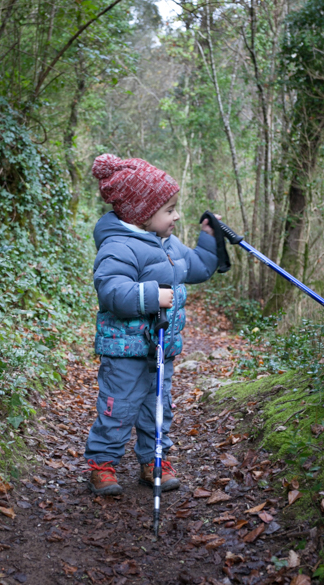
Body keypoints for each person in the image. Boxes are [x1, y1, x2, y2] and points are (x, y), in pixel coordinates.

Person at [84, 153, 220, 496]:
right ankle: (103, 465)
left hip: (162, 348)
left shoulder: (168, 244)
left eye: (175, 207)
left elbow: (199, 268)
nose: (176, 216)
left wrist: (209, 237)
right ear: (143, 214)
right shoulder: (118, 246)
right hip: (125, 352)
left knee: (158, 407)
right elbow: (112, 291)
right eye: (169, 209)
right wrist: (150, 295)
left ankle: (154, 460)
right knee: (118, 408)